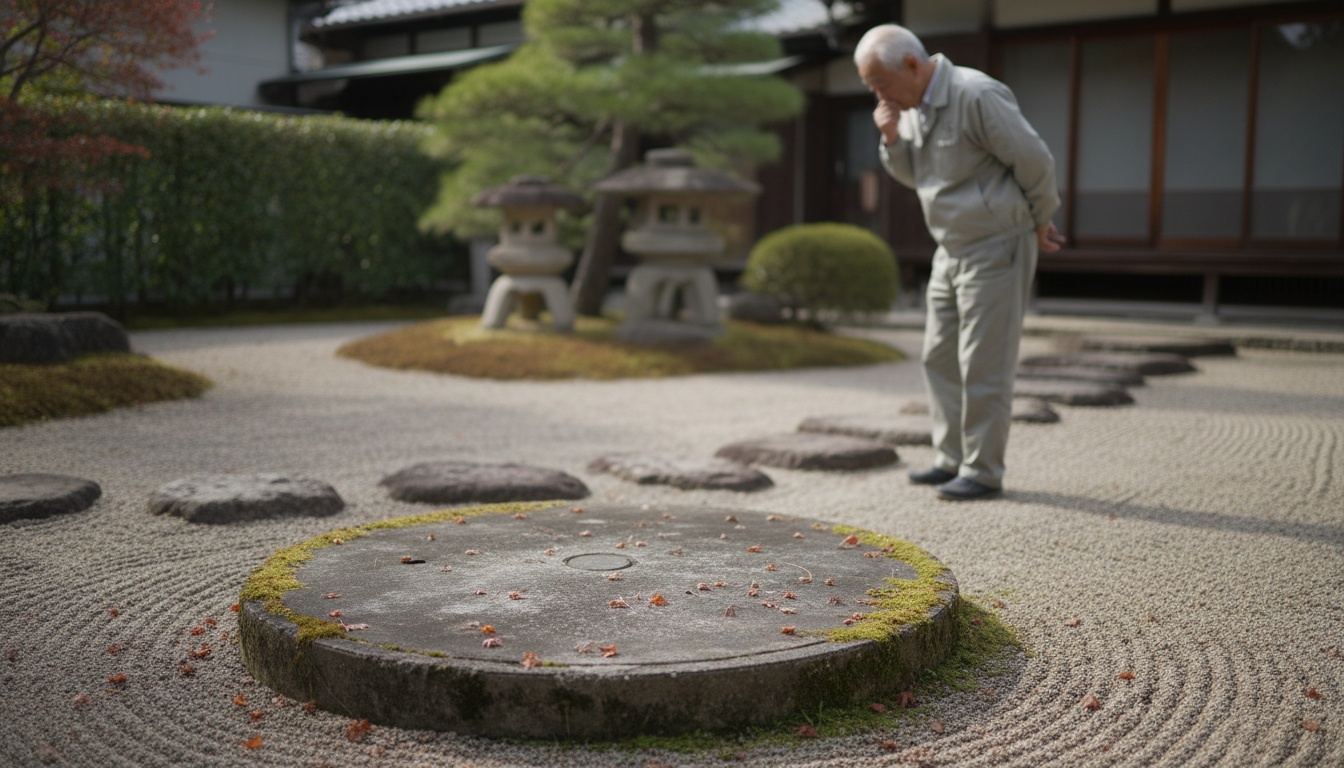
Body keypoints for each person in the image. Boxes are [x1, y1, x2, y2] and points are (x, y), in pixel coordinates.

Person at [854, 24, 1065, 500]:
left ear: (912, 64)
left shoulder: (975, 93)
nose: (879, 95)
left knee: (983, 362)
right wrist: (890, 140)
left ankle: (983, 469)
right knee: (939, 355)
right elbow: (914, 176)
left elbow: (1033, 159)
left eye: (880, 83)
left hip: (997, 242)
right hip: (949, 248)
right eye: (872, 88)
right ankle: (950, 458)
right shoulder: (908, 110)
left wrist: (1041, 218)